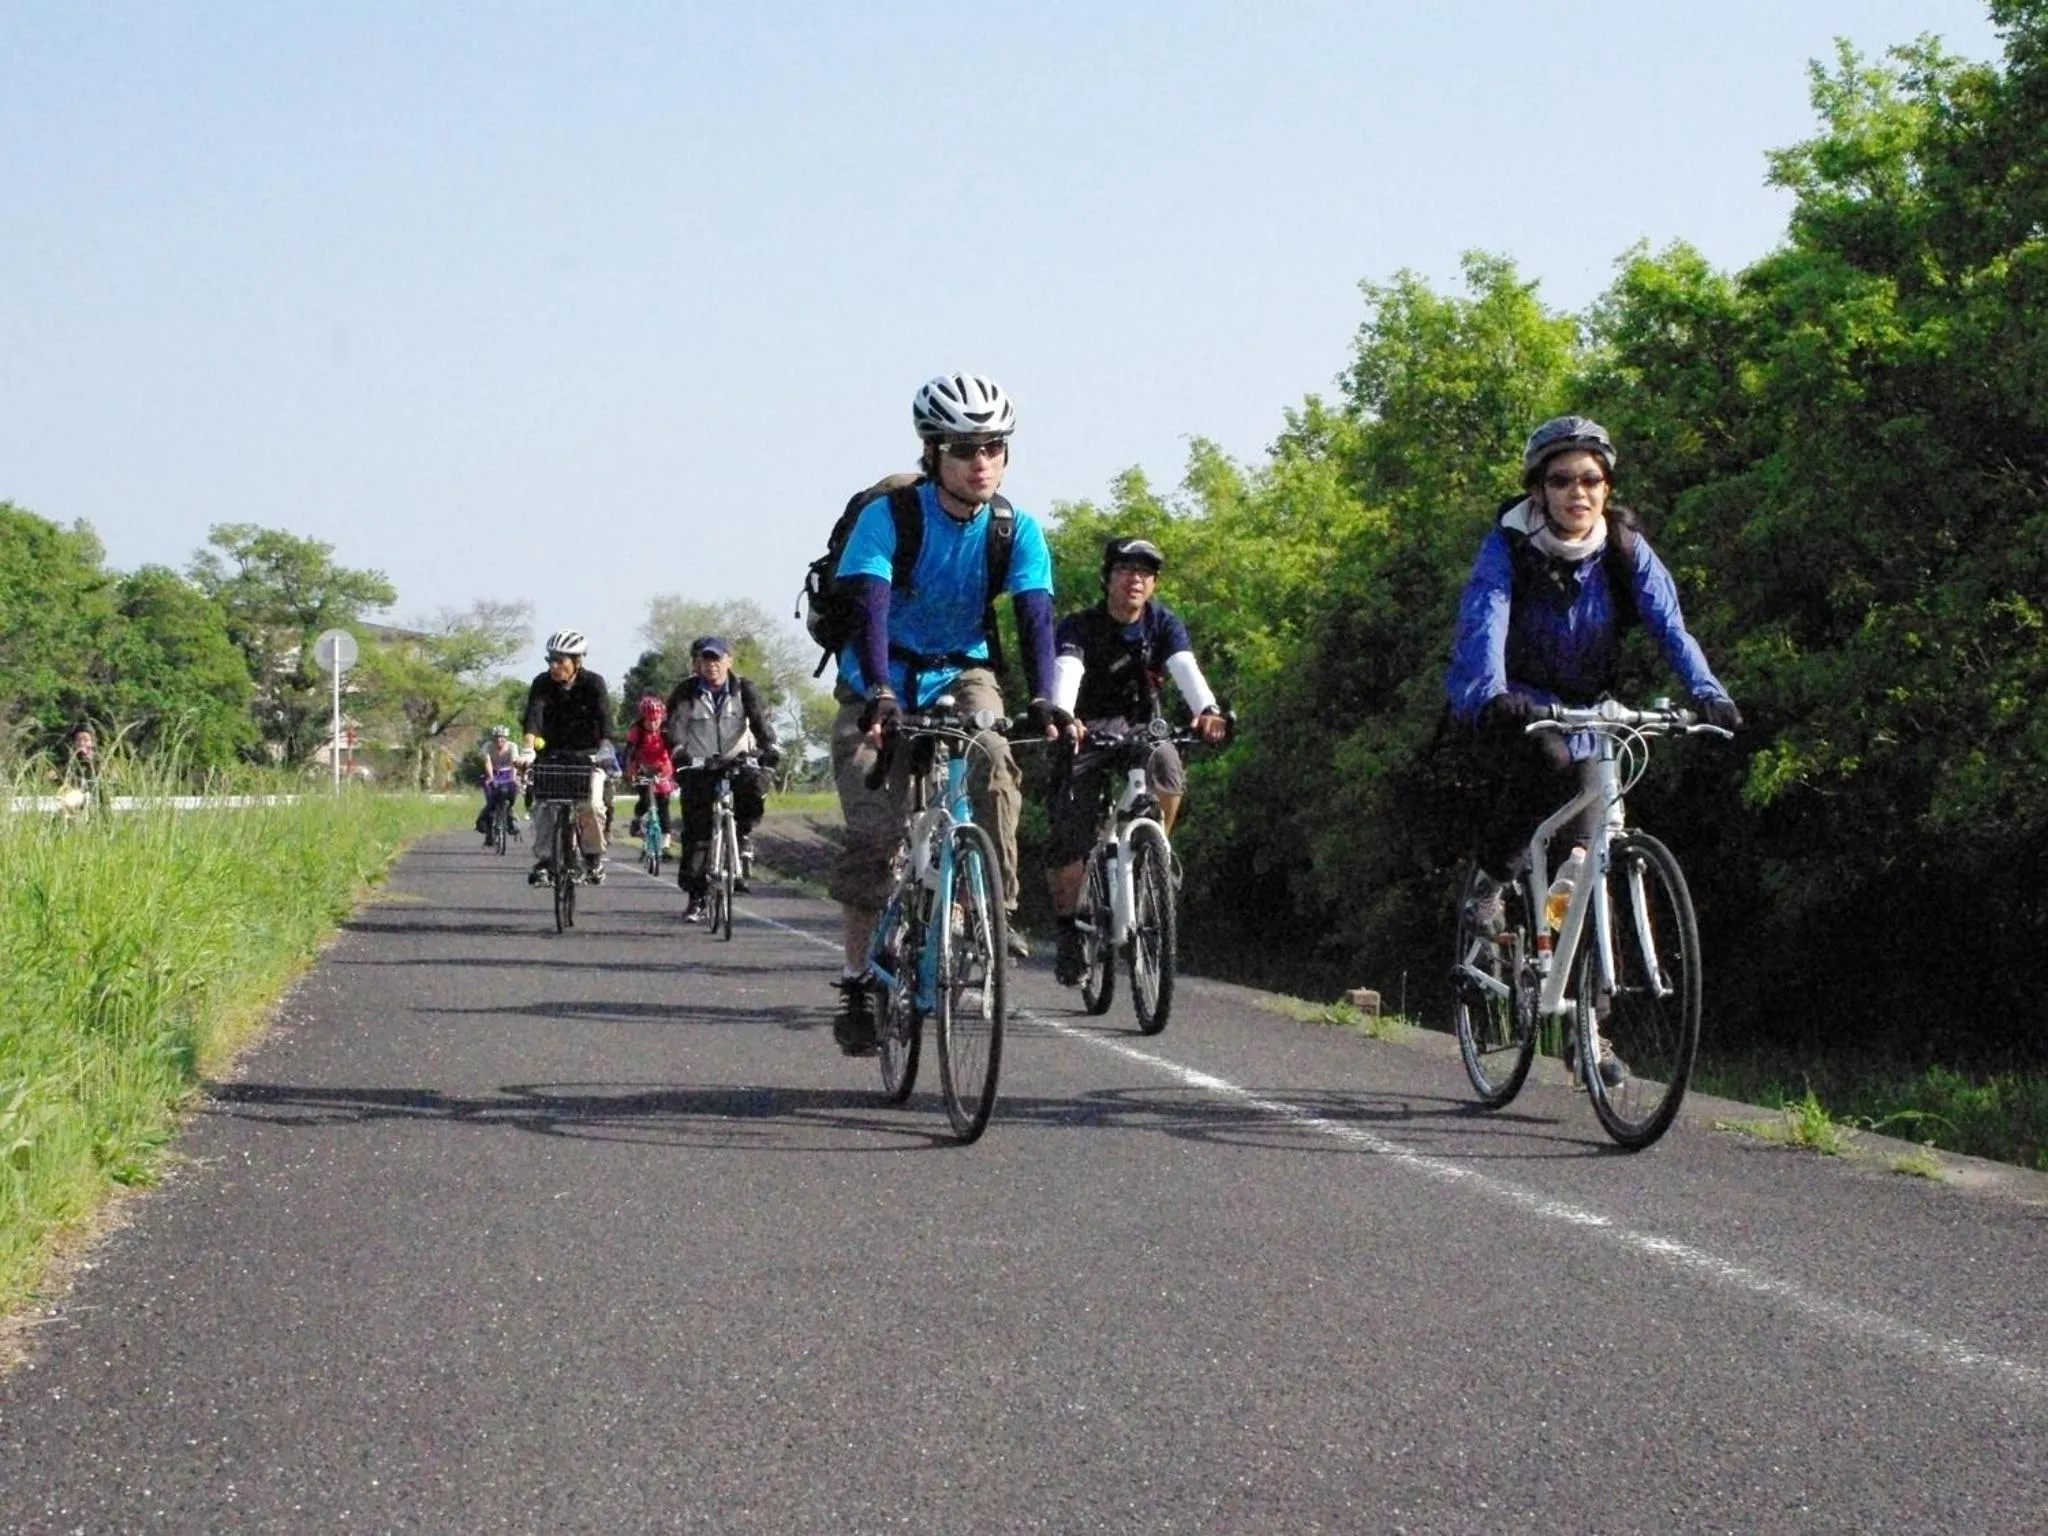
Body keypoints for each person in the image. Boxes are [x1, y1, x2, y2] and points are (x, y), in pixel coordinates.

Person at [826, 371, 1072, 1054]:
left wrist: (1046, 696)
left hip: (963, 669)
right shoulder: (893, 517)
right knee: (875, 833)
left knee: (994, 755)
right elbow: (869, 606)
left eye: (993, 447)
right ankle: (855, 977)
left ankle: (992, 909)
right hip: (881, 671)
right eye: (964, 449)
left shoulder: (1014, 528)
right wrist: (878, 692)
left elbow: (1034, 617)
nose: (981, 462)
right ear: (933, 453)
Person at [1445, 414, 1741, 939]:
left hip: (1590, 704)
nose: (1576, 493)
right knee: (1550, 758)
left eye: (1590, 480)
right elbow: (1484, 621)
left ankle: (1588, 1007)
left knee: (1589, 851)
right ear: (1538, 490)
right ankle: (1490, 885)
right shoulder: (1508, 546)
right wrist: (1492, 693)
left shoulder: (1624, 548)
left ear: (1606, 487)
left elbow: (1670, 625)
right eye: (1561, 480)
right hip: (1519, 701)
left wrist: (1707, 692)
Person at [1042, 536, 1230, 985]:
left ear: (1154, 583)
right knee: (1070, 831)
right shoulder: (1079, 626)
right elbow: (1067, 671)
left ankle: (1155, 854)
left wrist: (1207, 710)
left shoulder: (1162, 623)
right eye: (1126, 569)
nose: (1135, 579)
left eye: (1145, 572)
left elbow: (1185, 668)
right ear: (1107, 577)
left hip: (1143, 727)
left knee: (1167, 762)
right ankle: (1070, 931)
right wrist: (1065, 716)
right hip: (1085, 729)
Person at [664, 636, 780, 921]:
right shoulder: (686, 691)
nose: (711, 665)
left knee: (753, 791)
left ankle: (740, 838)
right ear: (696, 664)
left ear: (729, 661)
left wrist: (769, 747)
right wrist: (679, 752)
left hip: (737, 762)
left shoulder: (744, 689)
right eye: (705, 660)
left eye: (716, 659)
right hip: (700, 765)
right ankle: (696, 897)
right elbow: (676, 724)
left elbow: (759, 721)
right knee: (696, 831)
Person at [520, 629, 615, 886]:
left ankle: (593, 858)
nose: (554, 666)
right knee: (541, 808)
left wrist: (605, 748)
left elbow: (605, 719)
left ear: (577, 662)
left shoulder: (594, 683)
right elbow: (533, 719)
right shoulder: (541, 684)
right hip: (551, 755)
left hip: (588, 757)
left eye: (560, 660)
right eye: (550, 659)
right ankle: (545, 861)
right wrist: (528, 750)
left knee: (592, 806)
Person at [623, 693, 677, 850]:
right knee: (646, 798)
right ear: (643, 719)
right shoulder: (637, 731)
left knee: (664, 805)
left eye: (656, 720)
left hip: (663, 768)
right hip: (642, 768)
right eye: (649, 721)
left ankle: (665, 844)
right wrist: (629, 772)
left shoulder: (666, 731)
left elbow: (675, 750)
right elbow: (629, 753)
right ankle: (637, 820)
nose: (653, 724)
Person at [474, 724, 524, 843]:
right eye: (496, 737)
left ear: (506, 738)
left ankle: (511, 819)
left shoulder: (512, 747)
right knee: (491, 801)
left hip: (508, 773)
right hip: (493, 773)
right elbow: (487, 762)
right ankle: (487, 829)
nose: (499, 740)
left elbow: (514, 764)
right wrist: (491, 777)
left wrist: (512, 778)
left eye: (502, 737)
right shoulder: (487, 746)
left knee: (510, 797)